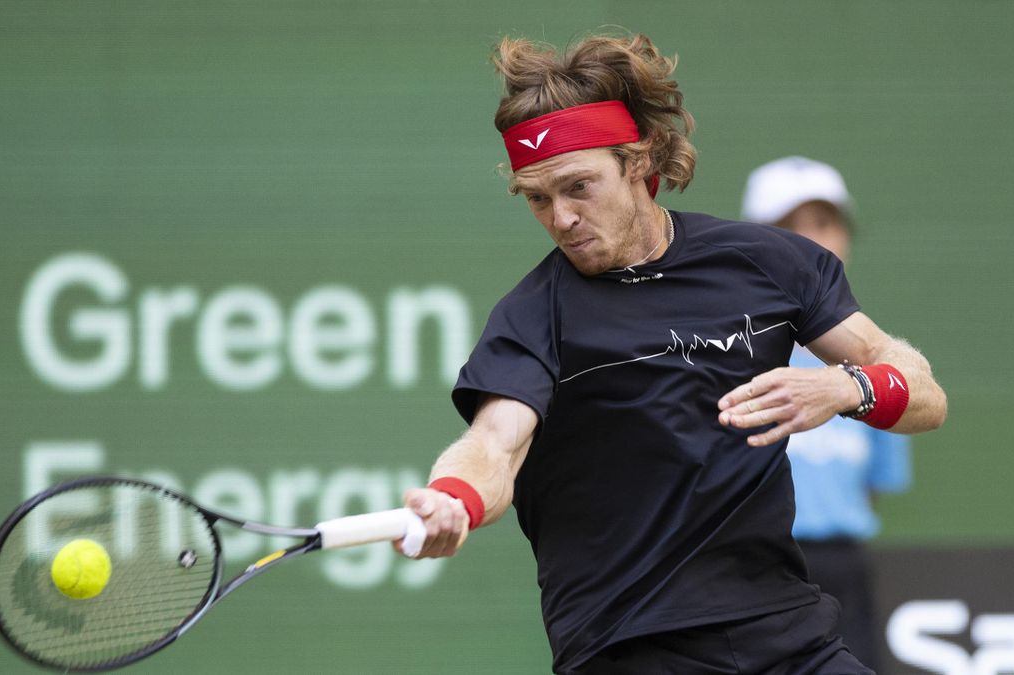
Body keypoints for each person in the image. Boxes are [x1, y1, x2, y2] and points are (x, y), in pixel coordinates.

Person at [394, 33, 947, 675]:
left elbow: (924, 396)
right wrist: (454, 497)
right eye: (537, 198)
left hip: (789, 637)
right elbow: (495, 445)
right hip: (629, 650)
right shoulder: (531, 314)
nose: (561, 217)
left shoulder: (769, 264)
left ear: (639, 160)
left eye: (579, 187)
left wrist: (846, 387)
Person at [741, 156, 913, 672]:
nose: (810, 242)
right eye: (788, 228)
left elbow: (877, 480)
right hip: (752, 567)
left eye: (823, 223)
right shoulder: (725, 350)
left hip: (842, 567)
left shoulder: (874, 356)